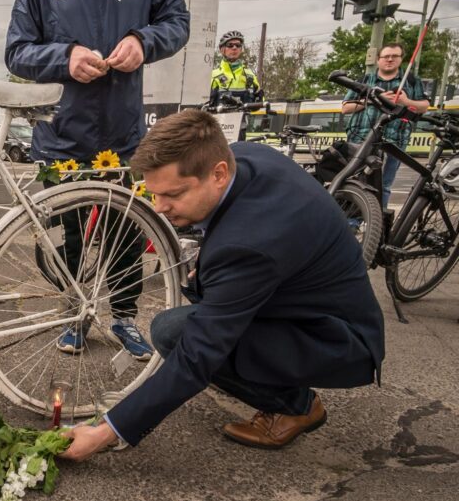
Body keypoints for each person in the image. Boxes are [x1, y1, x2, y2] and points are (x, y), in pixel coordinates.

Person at [62, 110, 385, 458]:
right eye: (153, 193)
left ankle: (296, 406)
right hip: (309, 305)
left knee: (175, 333)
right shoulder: (245, 156)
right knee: (190, 321)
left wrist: (107, 431)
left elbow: (197, 356)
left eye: (173, 194)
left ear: (217, 174)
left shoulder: (248, 245)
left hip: (338, 341)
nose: (159, 207)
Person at [5, 0, 190, 358]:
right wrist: (65, 57)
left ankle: (125, 316)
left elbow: (177, 22)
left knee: (126, 234)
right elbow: (16, 51)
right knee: (68, 241)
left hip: (124, 137)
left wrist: (142, 41)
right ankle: (73, 314)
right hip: (60, 138)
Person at [342, 42, 429, 209]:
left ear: (401, 59)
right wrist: (376, 100)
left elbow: (424, 107)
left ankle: (377, 225)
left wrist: (406, 101)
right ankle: (352, 222)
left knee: (384, 186)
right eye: (386, 56)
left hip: (394, 141)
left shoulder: (410, 82)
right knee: (355, 181)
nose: (390, 59)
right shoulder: (365, 80)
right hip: (361, 138)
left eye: (394, 56)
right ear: (378, 59)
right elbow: (345, 107)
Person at [209, 30, 262, 105]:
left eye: (238, 45)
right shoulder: (213, 76)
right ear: (222, 50)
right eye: (230, 45)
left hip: (245, 116)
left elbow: (260, 102)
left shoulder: (250, 75)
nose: (234, 48)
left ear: (241, 49)